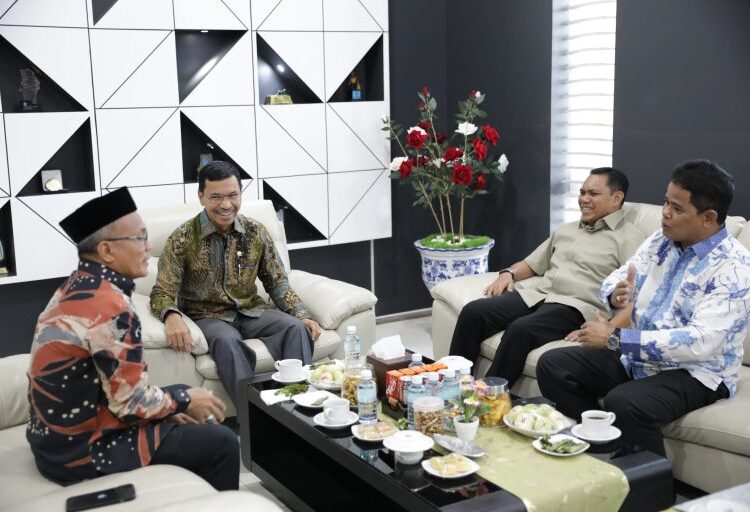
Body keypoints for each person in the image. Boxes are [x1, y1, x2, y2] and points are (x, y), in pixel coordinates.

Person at [27, 188, 238, 490]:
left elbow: (117, 388)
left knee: (180, 394)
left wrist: (171, 407)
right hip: (84, 453)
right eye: (140, 238)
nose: (149, 247)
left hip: (55, 444)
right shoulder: (108, 305)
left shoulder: (77, 286)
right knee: (223, 441)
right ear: (107, 251)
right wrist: (185, 401)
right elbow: (129, 403)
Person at [537, 160, 750, 456]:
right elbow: (620, 275)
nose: (665, 213)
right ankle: (601, 449)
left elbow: (699, 342)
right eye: (666, 202)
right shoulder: (662, 239)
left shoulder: (734, 268)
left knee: (625, 401)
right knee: (554, 365)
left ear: (708, 218)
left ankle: (650, 480)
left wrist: (616, 339)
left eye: (676, 208)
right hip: (640, 360)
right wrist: (616, 294)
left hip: (698, 373)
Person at [449, 168, 646, 386]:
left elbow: (638, 295)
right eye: (582, 192)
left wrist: (607, 327)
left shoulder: (630, 238)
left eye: (593, 194)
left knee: (520, 330)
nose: (584, 199)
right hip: (539, 295)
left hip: (575, 307)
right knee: (473, 312)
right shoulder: (567, 230)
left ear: (616, 198)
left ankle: (487, 397)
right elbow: (533, 263)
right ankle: (452, 385)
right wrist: (508, 273)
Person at [150, 161, 321, 405]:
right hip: (208, 316)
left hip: (252, 311)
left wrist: (301, 314)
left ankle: (297, 406)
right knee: (227, 341)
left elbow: (277, 283)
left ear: (240, 194)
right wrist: (171, 315)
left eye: (232, 195)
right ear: (201, 197)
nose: (226, 204)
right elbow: (162, 292)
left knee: (295, 327)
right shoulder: (181, 239)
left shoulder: (256, 232)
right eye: (216, 197)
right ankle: (253, 416)